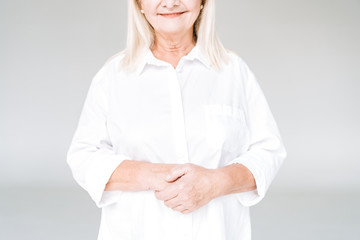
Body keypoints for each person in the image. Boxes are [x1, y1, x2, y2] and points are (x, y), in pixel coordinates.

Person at [66, 0, 287, 239]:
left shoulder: (234, 72)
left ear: (203, 2)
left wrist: (214, 182)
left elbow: (268, 151)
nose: (171, 3)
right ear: (139, 3)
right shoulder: (113, 76)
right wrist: (154, 175)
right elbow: (84, 157)